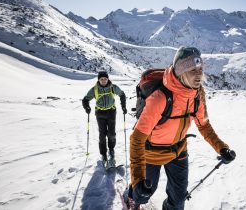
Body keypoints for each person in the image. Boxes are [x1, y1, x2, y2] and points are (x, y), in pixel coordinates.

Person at [128, 47, 236, 210]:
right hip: (150, 154)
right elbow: (137, 139)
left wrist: (222, 148)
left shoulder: (198, 95)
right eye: (192, 70)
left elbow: (203, 124)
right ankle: (132, 198)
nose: (199, 74)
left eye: (200, 69)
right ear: (181, 72)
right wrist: (137, 181)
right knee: (143, 192)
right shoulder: (160, 98)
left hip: (178, 152)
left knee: (178, 201)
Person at [82, 71, 127, 164]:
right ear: (98, 79)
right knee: (102, 135)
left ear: (108, 79)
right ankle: (103, 154)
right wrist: (87, 107)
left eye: (105, 79)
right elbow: (85, 99)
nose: (103, 81)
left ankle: (111, 150)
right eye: (101, 79)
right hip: (100, 113)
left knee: (112, 134)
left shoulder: (113, 87)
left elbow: (122, 94)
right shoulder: (94, 89)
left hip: (111, 112)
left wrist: (123, 106)